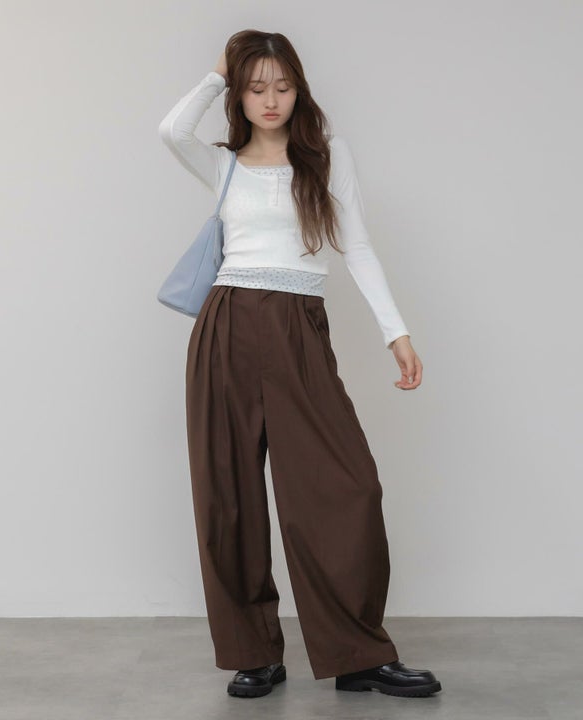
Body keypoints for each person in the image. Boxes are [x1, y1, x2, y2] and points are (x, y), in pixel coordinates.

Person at [158, 30, 439, 699]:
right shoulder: (223, 164)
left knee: (346, 486)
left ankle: (357, 653)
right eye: (255, 87)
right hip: (226, 326)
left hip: (298, 326)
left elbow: (357, 245)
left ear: (299, 89)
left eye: (282, 86)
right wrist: (216, 73)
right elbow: (171, 131)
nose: (270, 100)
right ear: (238, 94)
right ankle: (254, 653)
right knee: (228, 495)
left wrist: (395, 332)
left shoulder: (326, 156)